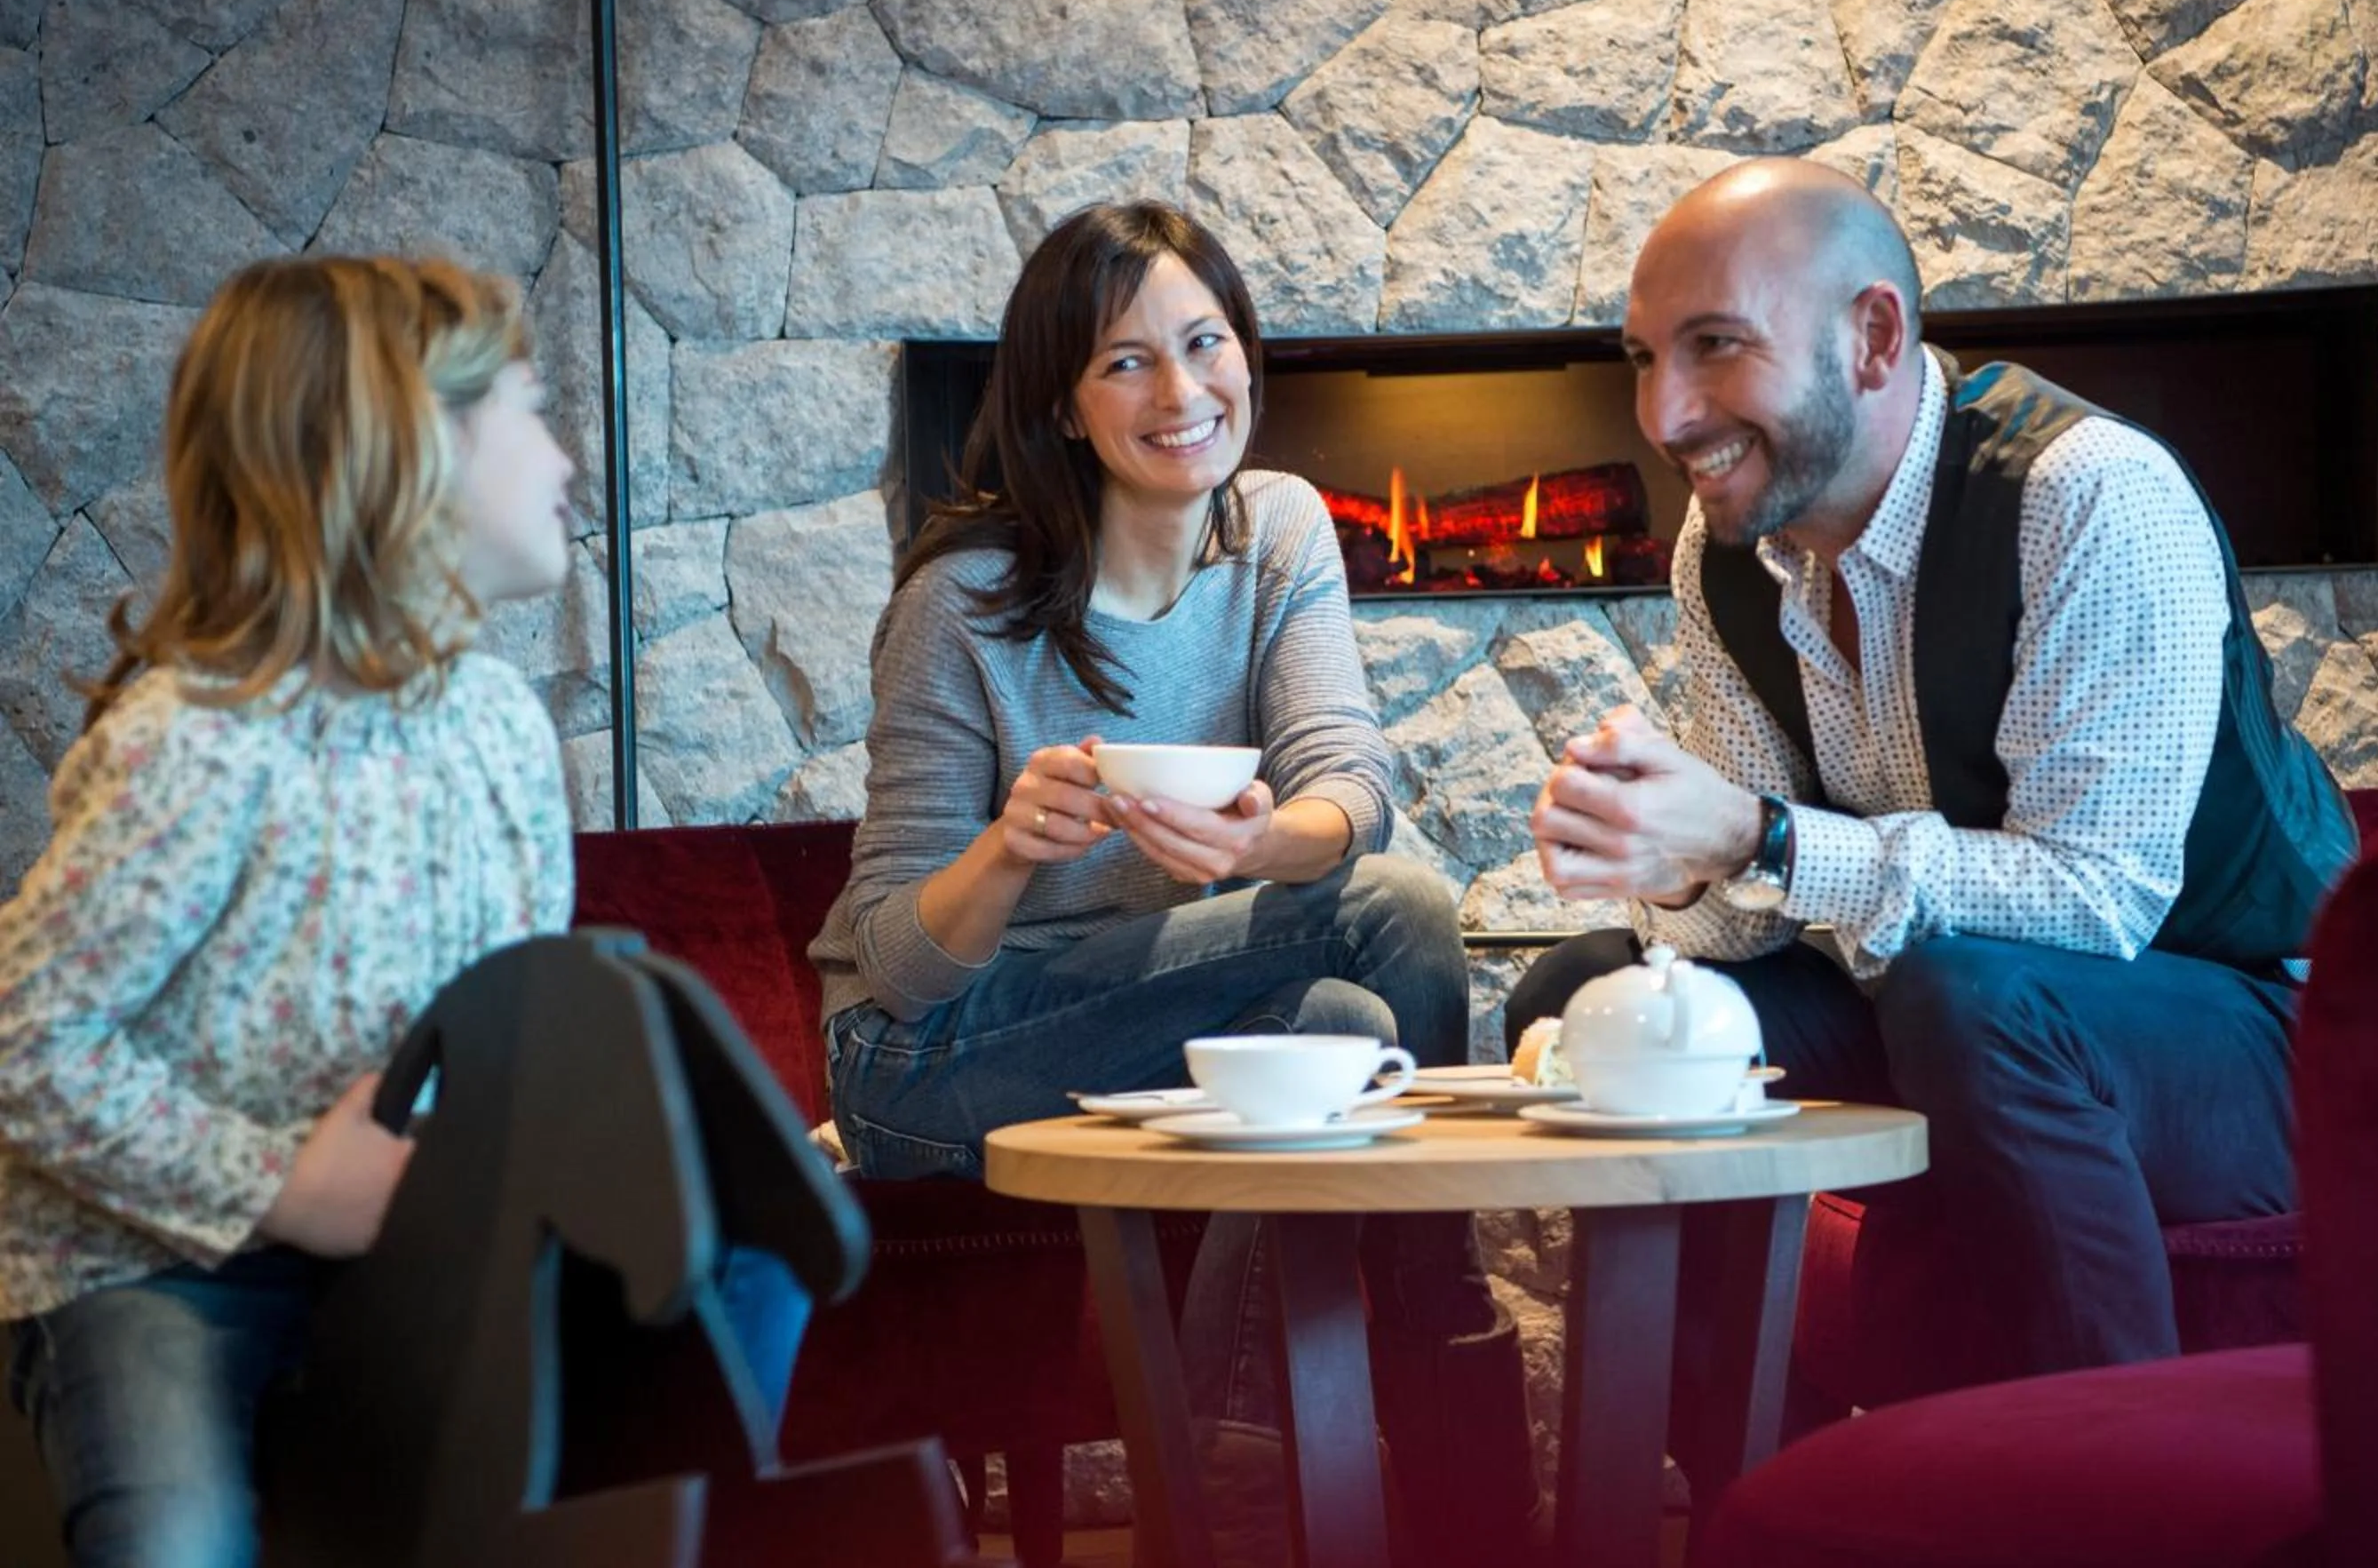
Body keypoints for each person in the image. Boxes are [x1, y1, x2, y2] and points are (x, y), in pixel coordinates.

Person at [0, 256, 803, 1568]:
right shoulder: (203, 742)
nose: (562, 462)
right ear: (406, 451)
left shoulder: (494, 723)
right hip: (155, 1260)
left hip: (420, 1231)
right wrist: (281, 1188)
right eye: (531, 414)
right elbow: (25, 1042)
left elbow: (513, 1022)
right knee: (177, 1539)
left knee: (738, 1266)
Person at [1515, 158, 2357, 1406]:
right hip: (1941, 1013)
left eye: (1715, 347)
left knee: (1970, 998)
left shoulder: (2088, 496)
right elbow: (1743, 919)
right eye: (1644, 356)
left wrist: (1763, 840)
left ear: (1872, 338)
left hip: (2260, 1031)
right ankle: (1770, 1490)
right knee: (1600, 991)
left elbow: (2097, 903)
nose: (1665, 413)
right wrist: (1675, 861)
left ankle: (2123, 1491)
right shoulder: (1727, 548)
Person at [810, 201, 1535, 1559]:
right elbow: (896, 972)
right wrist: (1009, 847)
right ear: (1064, 407)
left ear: (1247, 351)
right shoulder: (957, 609)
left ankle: (1231, 1483)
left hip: (1167, 1016)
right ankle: (1436, 1348)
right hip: (926, 1066)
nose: (1183, 390)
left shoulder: (1278, 530)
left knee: (1350, 1017)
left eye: (1205, 342)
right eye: (1126, 362)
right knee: (1403, 920)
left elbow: (1349, 784)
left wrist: (1262, 847)